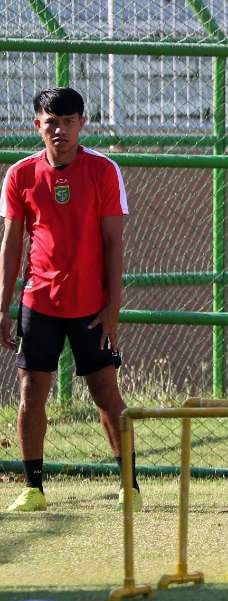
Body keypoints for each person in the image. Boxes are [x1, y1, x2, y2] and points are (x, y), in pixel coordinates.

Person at [1, 88, 135, 512]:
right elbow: (10, 244)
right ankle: (33, 487)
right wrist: (2, 307)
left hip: (91, 307)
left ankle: (129, 485)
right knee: (31, 391)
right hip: (38, 303)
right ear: (37, 125)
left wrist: (112, 307)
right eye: (51, 121)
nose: (60, 129)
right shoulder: (20, 175)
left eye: (69, 121)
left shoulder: (103, 170)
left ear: (82, 124)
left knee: (104, 391)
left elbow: (113, 242)